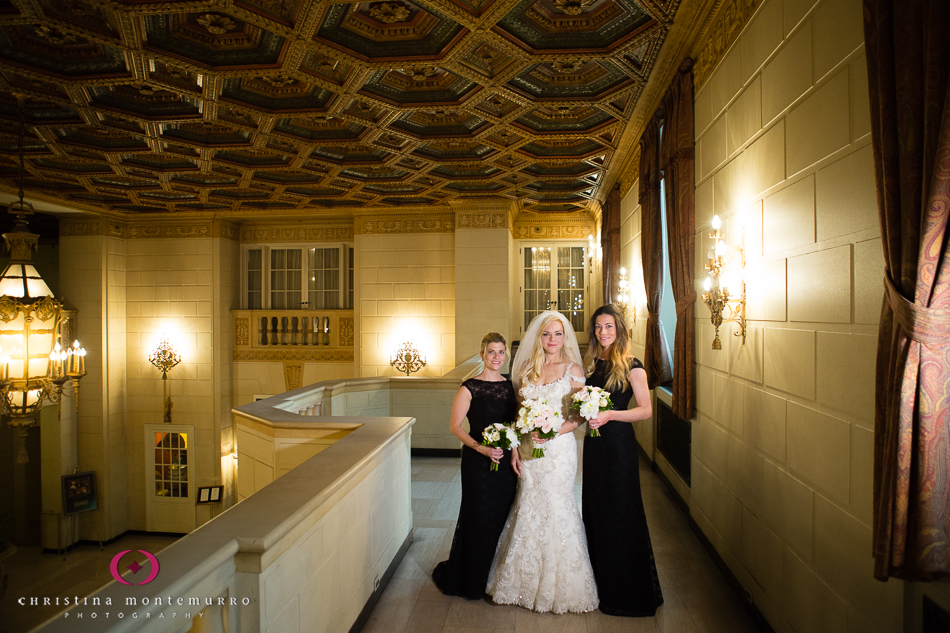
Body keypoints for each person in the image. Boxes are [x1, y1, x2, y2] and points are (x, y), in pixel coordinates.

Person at [487, 311, 599, 614]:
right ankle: (520, 584)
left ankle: (562, 587)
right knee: (527, 503)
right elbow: (519, 415)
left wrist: (552, 432)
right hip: (528, 449)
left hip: (559, 450)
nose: (552, 340)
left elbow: (578, 416)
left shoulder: (573, 369)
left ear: (565, 337)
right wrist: (514, 448)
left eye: (558, 334)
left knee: (556, 504)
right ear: (539, 337)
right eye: (547, 334)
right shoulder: (526, 369)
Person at [582, 304, 663, 616]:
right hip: (595, 446)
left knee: (619, 510)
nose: (603, 332)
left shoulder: (632, 364)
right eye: (599, 328)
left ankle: (625, 590)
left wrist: (610, 415)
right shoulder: (593, 362)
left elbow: (646, 409)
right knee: (597, 508)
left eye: (609, 327)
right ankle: (601, 583)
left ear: (619, 330)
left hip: (618, 446)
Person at [432, 332, 518, 599]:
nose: (496, 357)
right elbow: (455, 426)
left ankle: (492, 575)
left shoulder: (510, 386)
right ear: (482, 354)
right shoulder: (468, 387)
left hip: (504, 461)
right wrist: (480, 448)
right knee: (478, 515)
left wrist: (513, 452)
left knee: (500, 515)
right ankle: (470, 578)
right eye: (491, 352)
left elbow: (515, 425)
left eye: (501, 352)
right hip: (477, 462)